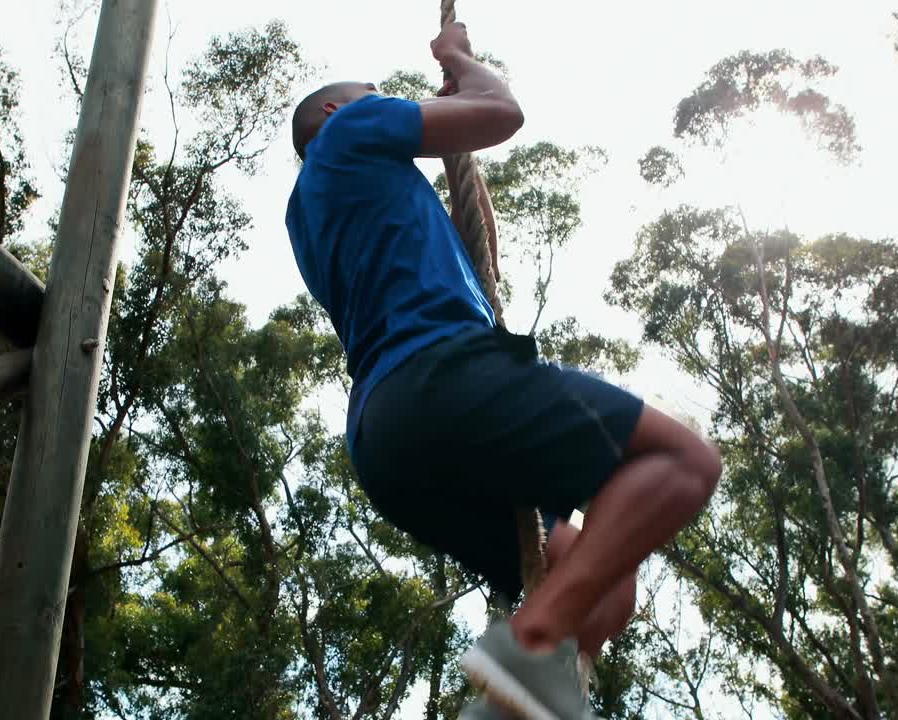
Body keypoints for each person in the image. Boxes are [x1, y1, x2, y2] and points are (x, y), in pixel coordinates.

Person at [284, 22, 721, 720]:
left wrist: (460, 148)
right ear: (339, 115)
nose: (387, 104)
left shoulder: (318, 210)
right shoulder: (349, 132)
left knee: (598, 580)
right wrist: (462, 63)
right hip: (439, 378)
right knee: (683, 460)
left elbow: (476, 235)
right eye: (376, 97)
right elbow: (503, 115)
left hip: (388, 441)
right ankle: (533, 641)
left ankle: (516, 699)